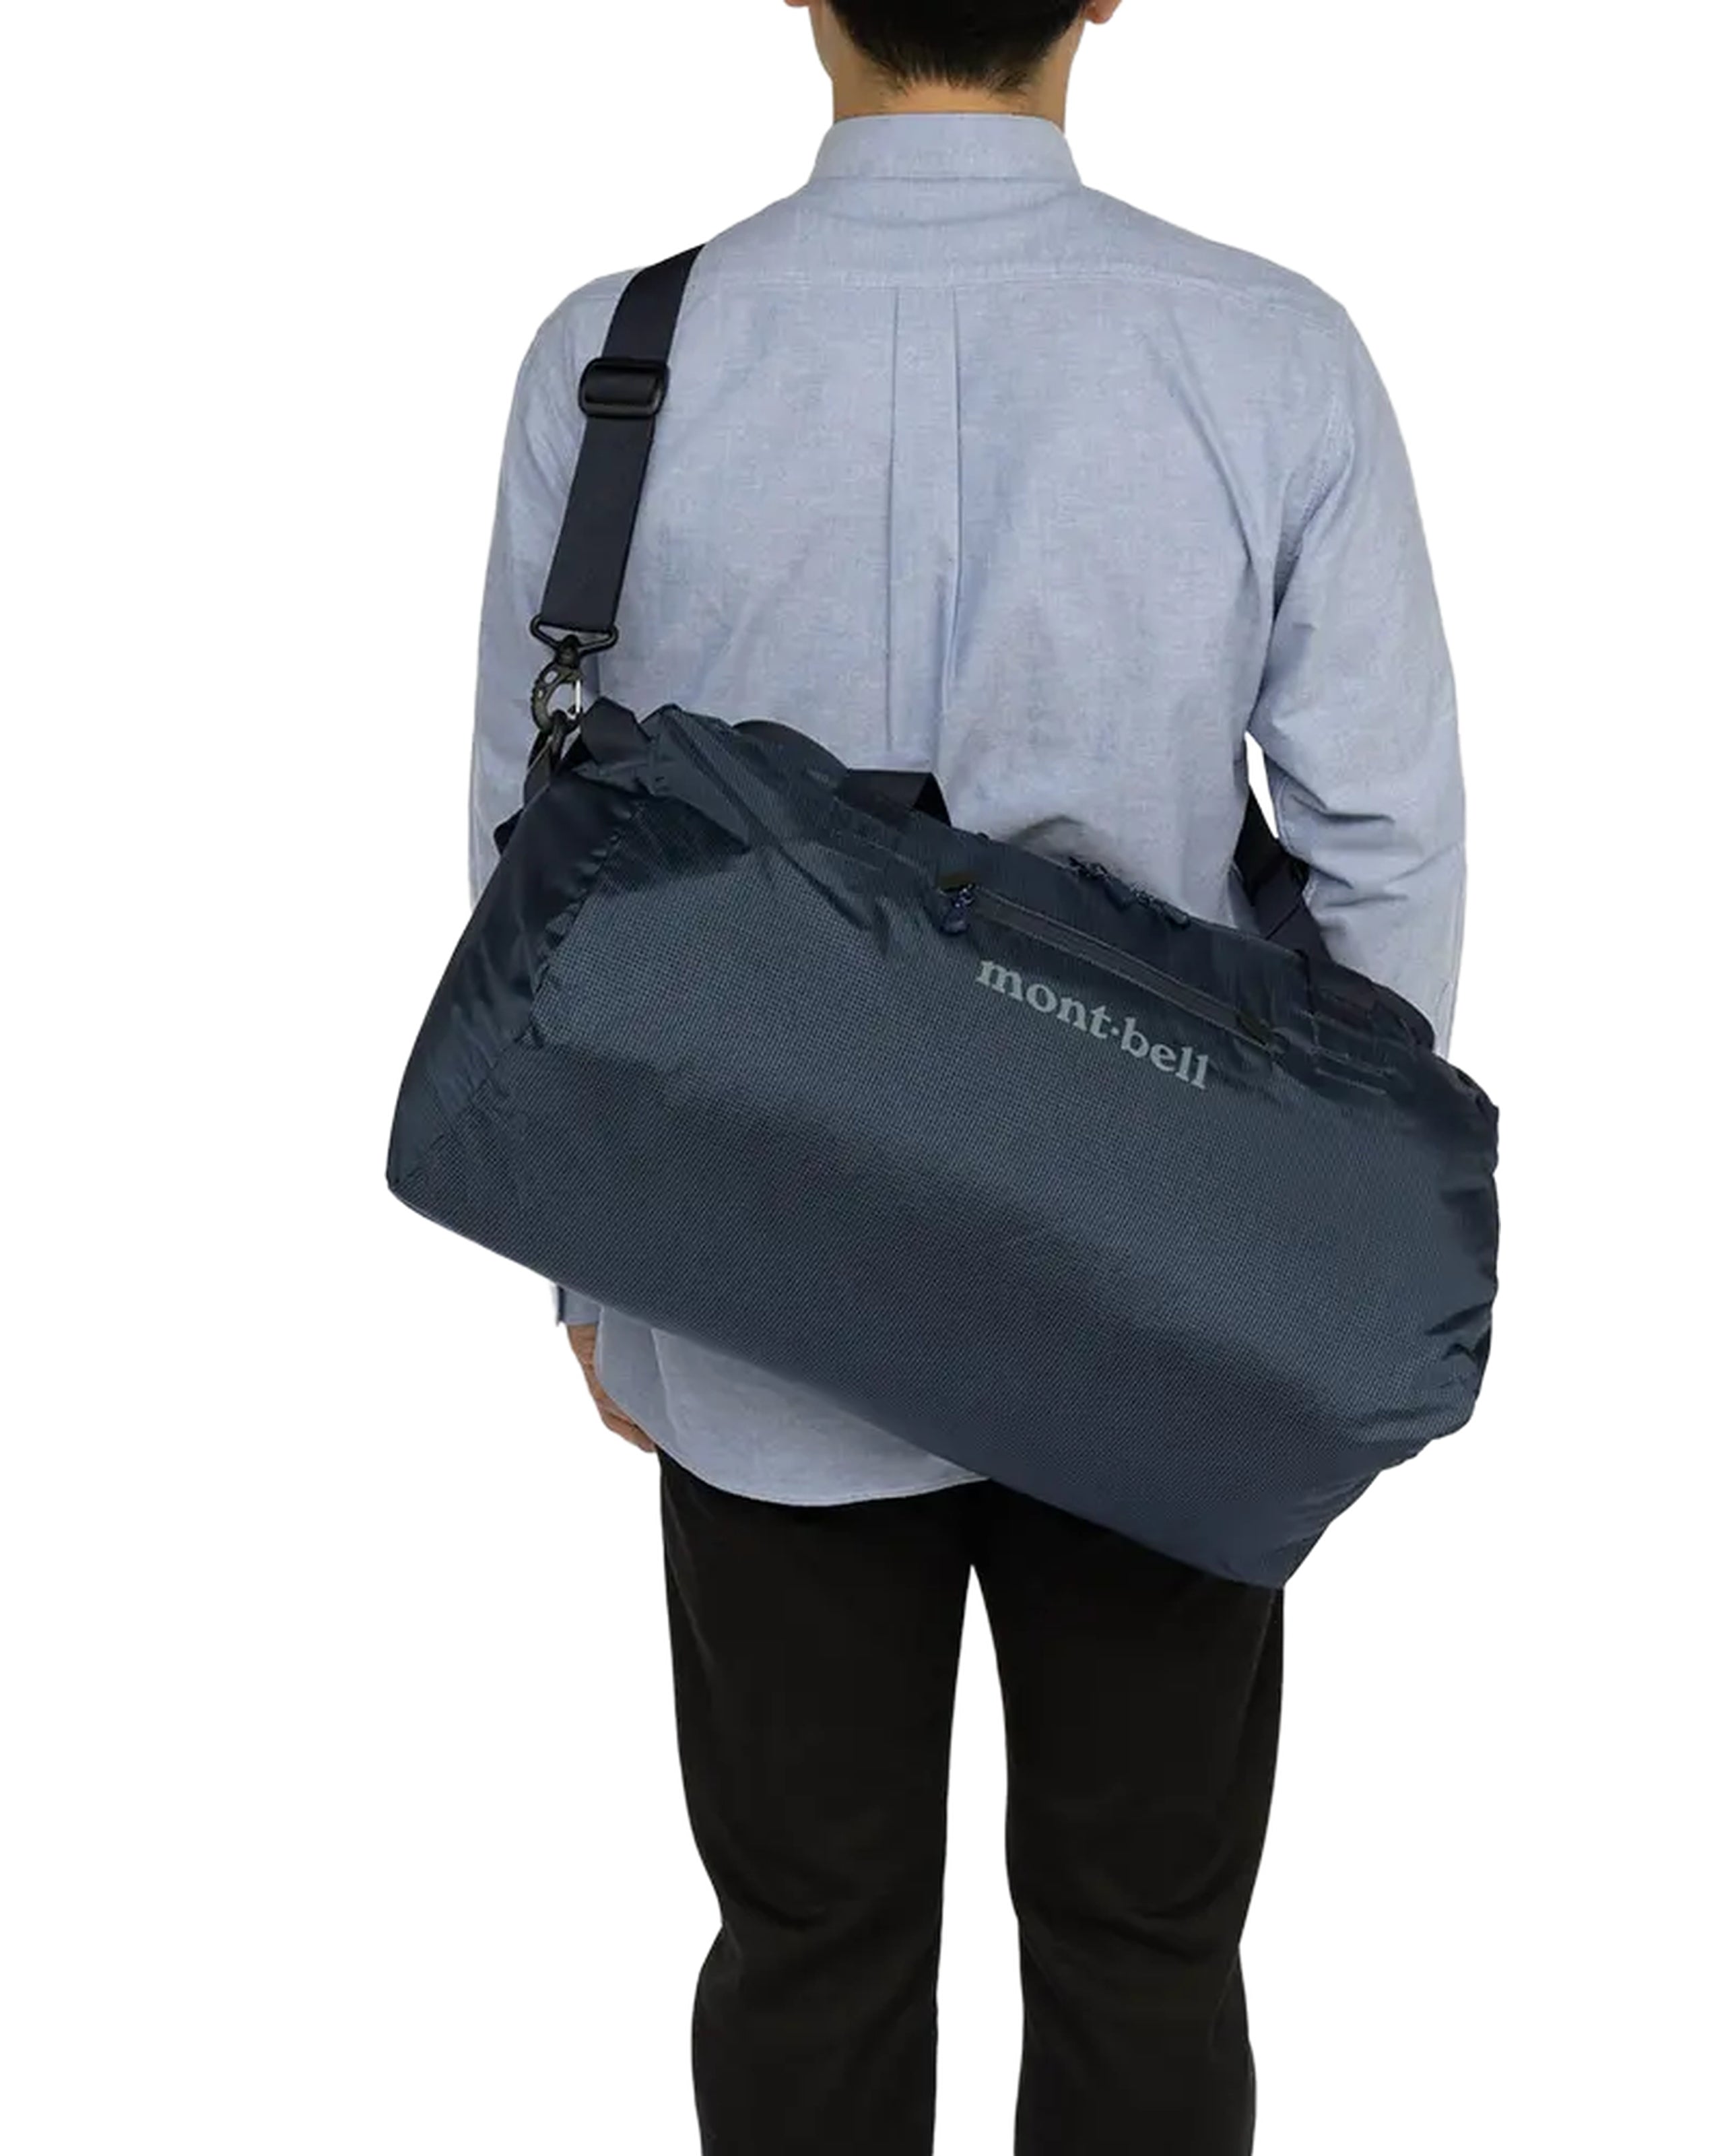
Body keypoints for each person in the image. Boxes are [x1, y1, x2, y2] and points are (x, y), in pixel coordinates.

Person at [468, 4, 1465, 2149]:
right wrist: (1305, 1270)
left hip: (751, 1288)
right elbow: (1384, 850)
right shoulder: (1273, 354)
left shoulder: (616, 361)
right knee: (1145, 1949)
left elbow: (535, 868)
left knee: (809, 1946)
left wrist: (596, 1280)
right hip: (1171, 1309)